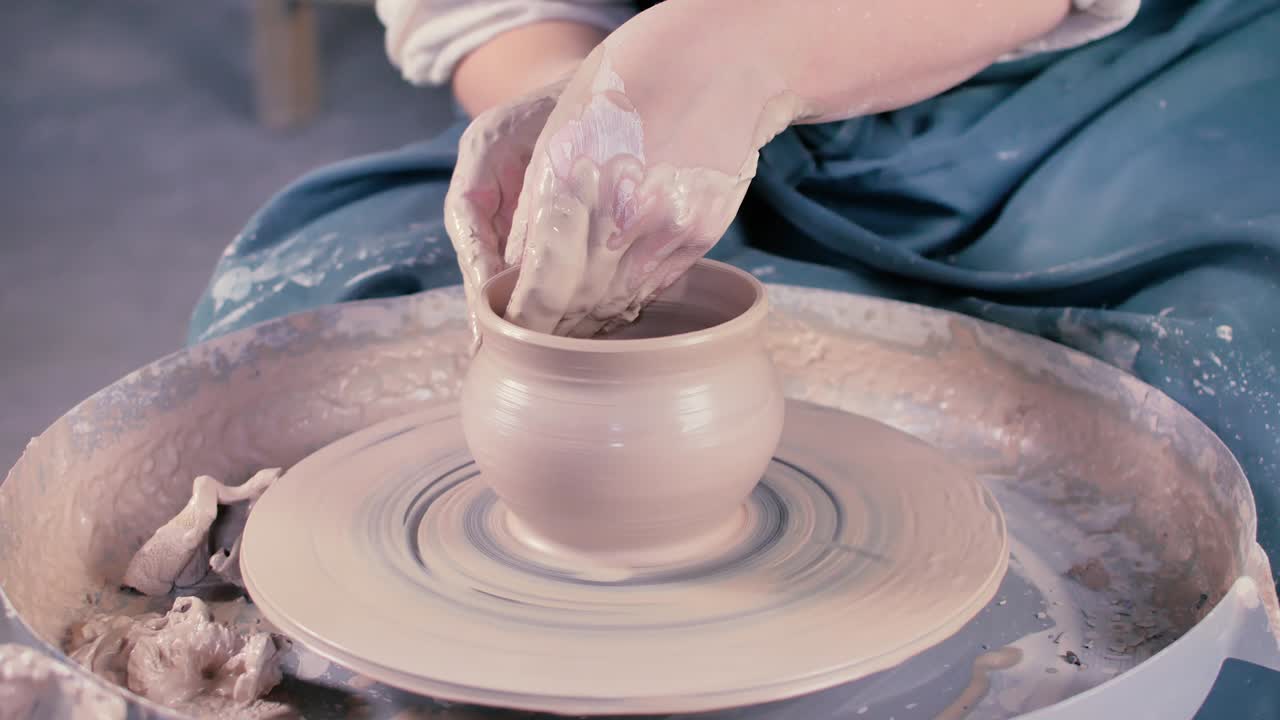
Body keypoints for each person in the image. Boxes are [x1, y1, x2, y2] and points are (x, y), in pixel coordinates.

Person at [188, 0, 1280, 602]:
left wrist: (754, 46)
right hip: (663, 77)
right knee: (309, 322)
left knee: (1209, 407)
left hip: (1113, 85)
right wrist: (574, 114)